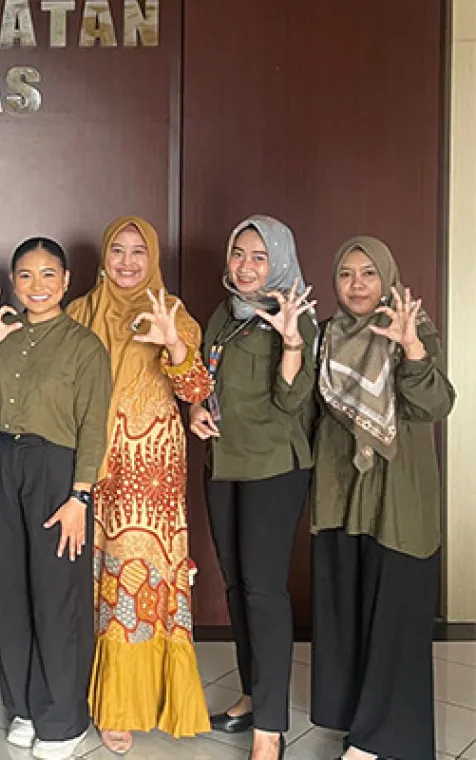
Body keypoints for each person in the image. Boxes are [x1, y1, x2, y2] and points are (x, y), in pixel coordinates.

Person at [0, 237, 112, 760]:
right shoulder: (4, 333)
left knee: (56, 595)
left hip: (56, 471)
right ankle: (24, 704)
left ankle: (63, 718)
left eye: (49, 275)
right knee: (10, 590)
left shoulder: (84, 346)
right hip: (2, 463)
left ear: (67, 282)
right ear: (13, 282)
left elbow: (95, 427)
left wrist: (80, 497)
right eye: (26, 275)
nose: (37, 286)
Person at [67, 217, 212, 753]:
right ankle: (114, 703)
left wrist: (172, 342)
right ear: (104, 256)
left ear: (153, 259)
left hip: (153, 469)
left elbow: (196, 386)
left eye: (138, 253)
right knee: (106, 578)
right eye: (117, 251)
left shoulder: (172, 313)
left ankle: (151, 697)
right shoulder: (79, 313)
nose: (127, 263)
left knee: (148, 578)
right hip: (96, 465)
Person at [309, 237, 454, 760]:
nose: (356, 285)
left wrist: (411, 348)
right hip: (343, 494)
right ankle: (356, 719)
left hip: (396, 496)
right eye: (346, 274)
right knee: (349, 611)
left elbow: (437, 404)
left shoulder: (414, 328)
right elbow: (308, 412)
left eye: (368, 273)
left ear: (387, 277)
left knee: (395, 616)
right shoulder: (326, 335)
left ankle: (380, 741)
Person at [187, 215, 317, 760]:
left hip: (273, 468)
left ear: (279, 261)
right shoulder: (224, 313)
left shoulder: (294, 316)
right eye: (239, 253)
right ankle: (251, 691)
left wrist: (289, 343)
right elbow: (202, 376)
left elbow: (293, 403)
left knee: (264, 592)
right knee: (237, 586)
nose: (245, 266)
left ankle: (271, 726)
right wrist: (195, 407)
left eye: (259, 257)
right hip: (223, 462)